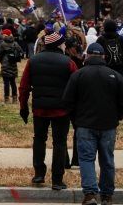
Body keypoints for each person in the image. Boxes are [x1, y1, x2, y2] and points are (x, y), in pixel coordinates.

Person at [63, 43, 123, 205]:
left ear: (87, 55)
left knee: (87, 160)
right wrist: (117, 117)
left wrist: (76, 120)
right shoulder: (115, 76)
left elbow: (68, 101)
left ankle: (90, 194)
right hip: (109, 125)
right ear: (104, 56)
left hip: (84, 124)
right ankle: (107, 196)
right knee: (107, 160)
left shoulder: (78, 75)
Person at [19, 26, 77, 191]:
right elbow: (76, 86)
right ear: (59, 45)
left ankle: (39, 173)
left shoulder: (33, 60)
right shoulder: (69, 62)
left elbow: (24, 87)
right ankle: (57, 180)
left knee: (39, 139)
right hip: (61, 110)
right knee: (59, 143)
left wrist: (24, 107)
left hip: (40, 108)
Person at [0, 30, 23, 103]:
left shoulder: (3, 44)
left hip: (5, 64)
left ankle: (7, 99)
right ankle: (14, 99)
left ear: (5, 35)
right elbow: (21, 51)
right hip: (13, 64)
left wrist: (2, 62)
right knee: (13, 82)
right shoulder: (15, 43)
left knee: (6, 83)